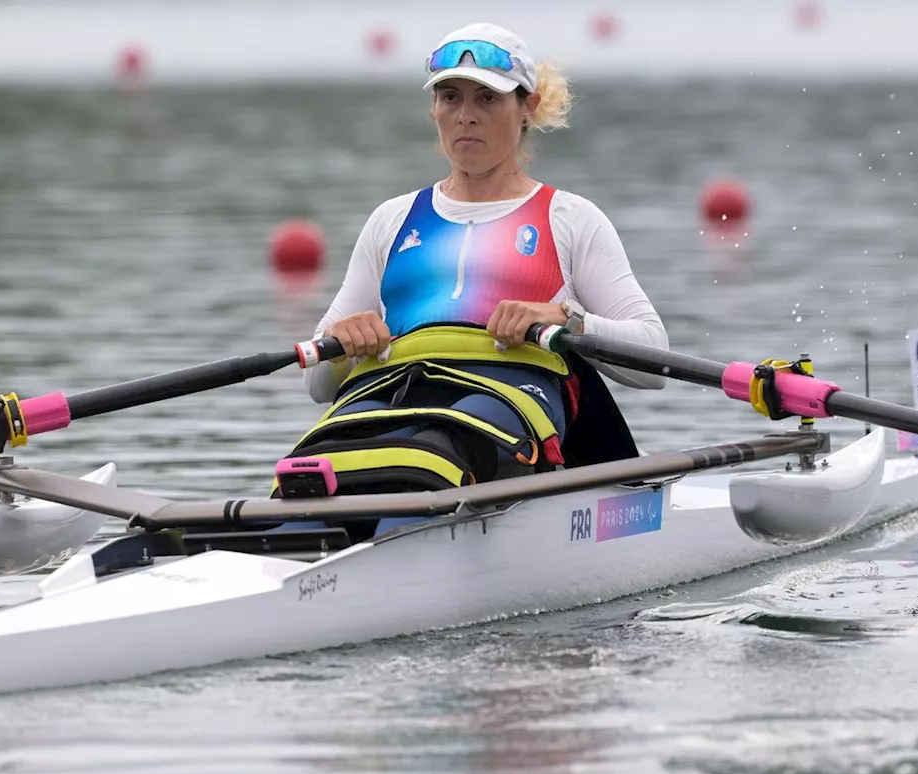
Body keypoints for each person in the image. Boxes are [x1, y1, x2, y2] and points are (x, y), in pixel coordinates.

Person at [282, 22, 669, 507]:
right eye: (450, 97)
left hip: (508, 392)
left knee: (432, 456)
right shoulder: (392, 220)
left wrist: (568, 318)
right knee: (310, 471)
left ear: (527, 108)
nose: (465, 116)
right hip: (392, 390)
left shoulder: (568, 218)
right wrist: (344, 345)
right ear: (434, 110)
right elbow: (317, 385)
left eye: (487, 99)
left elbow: (654, 360)